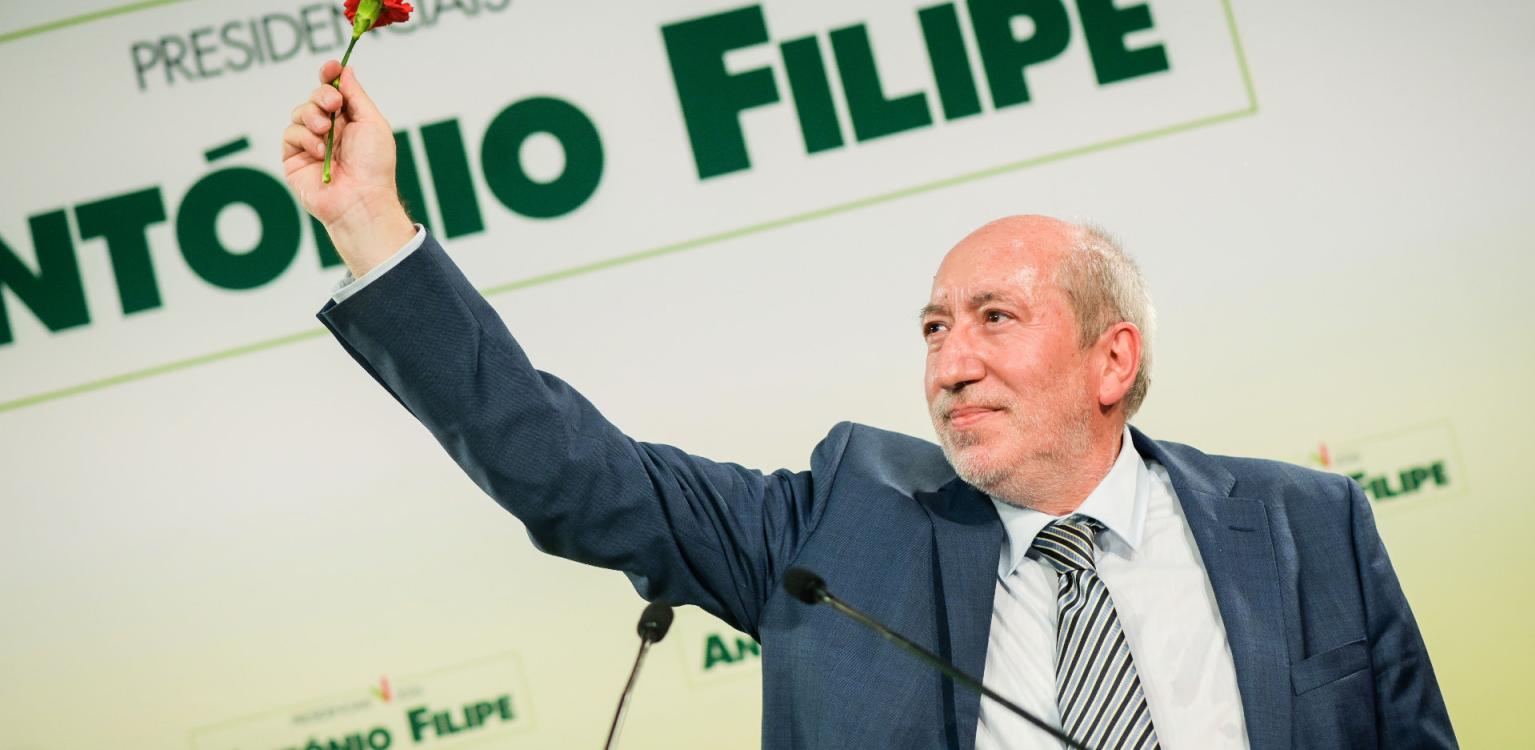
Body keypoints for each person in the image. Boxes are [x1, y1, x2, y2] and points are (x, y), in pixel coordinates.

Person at [284, 62, 1456, 749]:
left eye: (994, 318)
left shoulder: (1309, 526)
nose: (951, 364)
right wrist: (373, 228)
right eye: (934, 329)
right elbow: (566, 471)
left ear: (1112, 361)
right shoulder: (837, 532)